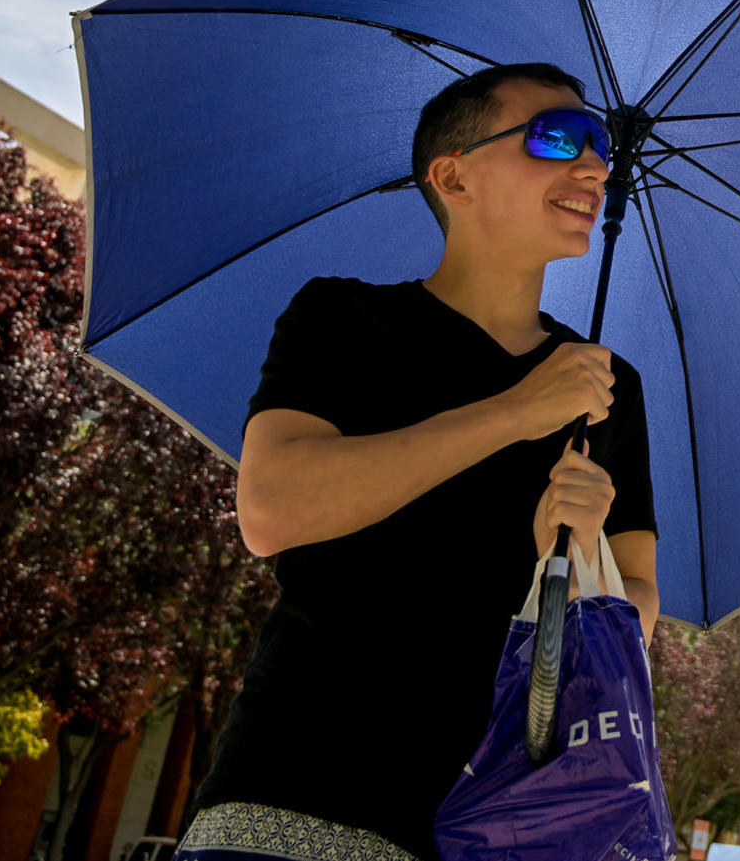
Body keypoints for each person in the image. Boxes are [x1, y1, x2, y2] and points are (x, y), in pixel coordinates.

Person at [177, 63, 659, 861]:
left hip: (499, 822)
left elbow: (637, 610)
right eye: (558, 137)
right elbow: (270, 508)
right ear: (452, 175)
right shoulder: (342, 317)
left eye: (600, 143)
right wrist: (513, 413)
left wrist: (580, 557)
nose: (595, 164)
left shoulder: (607, 386)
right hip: (297, 796)